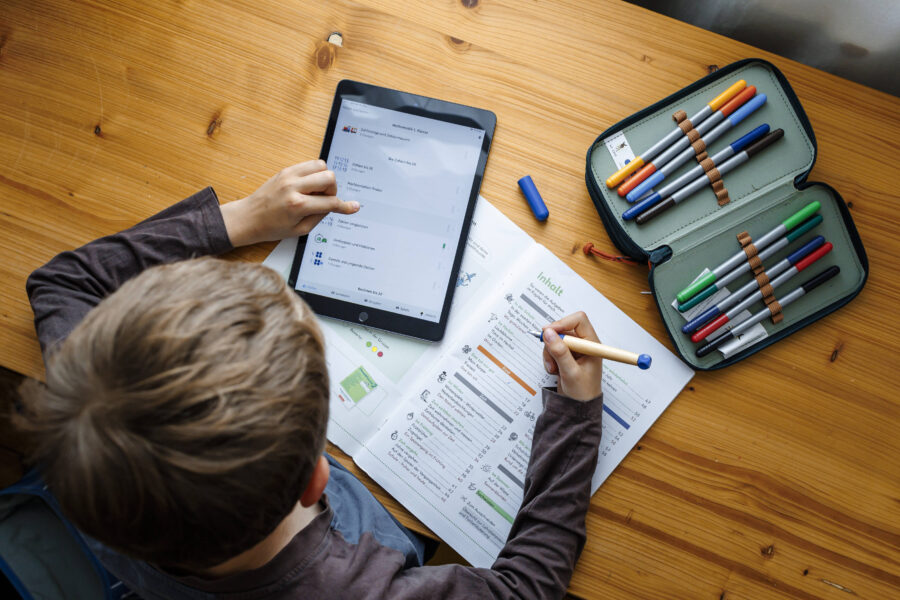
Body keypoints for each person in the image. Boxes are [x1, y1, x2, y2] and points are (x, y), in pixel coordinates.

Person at [16, 160, 604, 599]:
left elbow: (63, 283)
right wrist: (575, 416)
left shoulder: (87, 436)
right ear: (317, 477)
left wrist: (244, 217)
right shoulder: (357, 591)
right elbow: (527, 590)